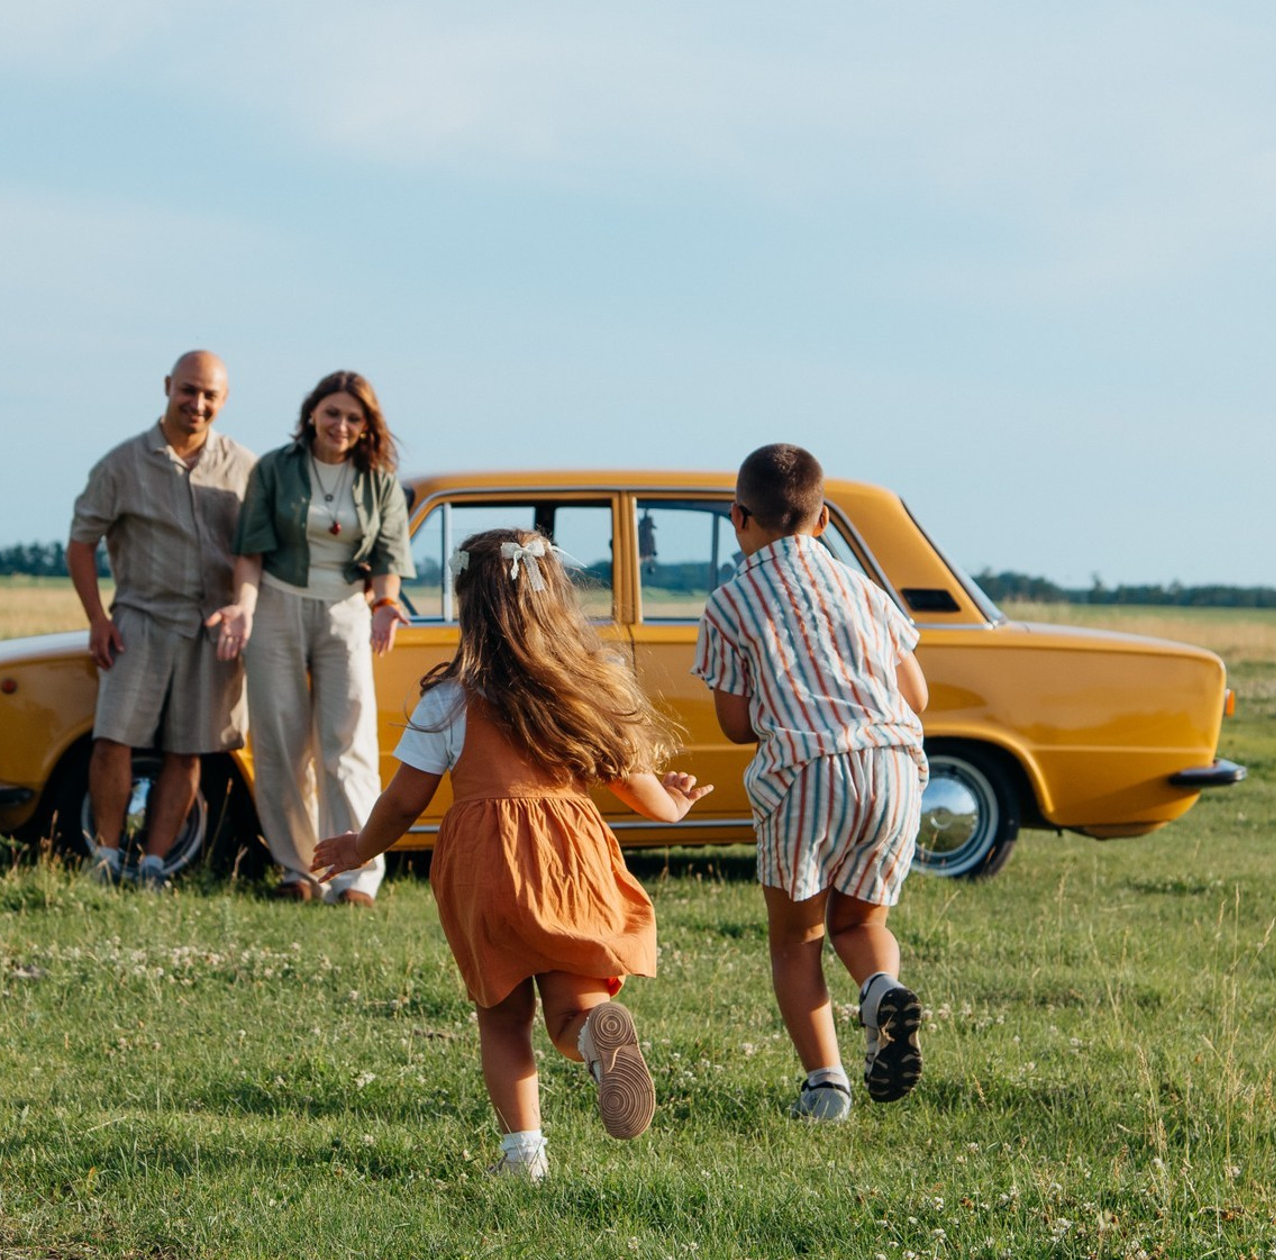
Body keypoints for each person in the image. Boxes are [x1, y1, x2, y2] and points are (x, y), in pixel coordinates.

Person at [313, 529, 712, 1180]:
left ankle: (523, 1155)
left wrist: (361, 847)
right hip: (571, 863)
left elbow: (403, 802)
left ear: (472, 608)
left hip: (487, 867)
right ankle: (593, 1036)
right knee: (571, 1004)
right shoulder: (583, 688)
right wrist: (673, 804)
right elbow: (639, 788)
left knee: (502, 1016)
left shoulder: (449, 700)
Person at [693, 443, 931, 1123]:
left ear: (738, 518)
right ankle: (881, 989)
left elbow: (738, 724)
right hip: (892, 765)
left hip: (806, 773)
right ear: (822, 518)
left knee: (796, 939)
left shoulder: (729, 604)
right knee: (860, 920)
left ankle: (825, 1087)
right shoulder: (864, 590)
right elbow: (915, 693)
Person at [208, 371, 413, 905]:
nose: (340, 425)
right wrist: (243, 610)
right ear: (312, 415)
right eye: (332, 413)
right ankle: (297, 870)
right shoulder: (275, 469)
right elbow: (249, 551)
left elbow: (389, 561)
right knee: (279, 743)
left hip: (346, 608)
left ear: (367, 425)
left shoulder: (381, 483)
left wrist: (386, 606)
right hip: (275, 604)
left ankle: (356, 876)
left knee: (347, 745)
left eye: (353, 417)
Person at [66, 351, 256, 884]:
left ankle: (154, 864)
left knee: (188, 748)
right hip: (139, 620)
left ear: (223, 400)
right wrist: (96, 619)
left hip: (210, 628)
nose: (197, 403)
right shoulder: (122, 463)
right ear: (168, 386)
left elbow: (258, 551)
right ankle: (104, 857)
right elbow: (81, 543)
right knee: (112, 739)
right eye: (188, 390)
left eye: (209, 395)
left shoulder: (244, 465)